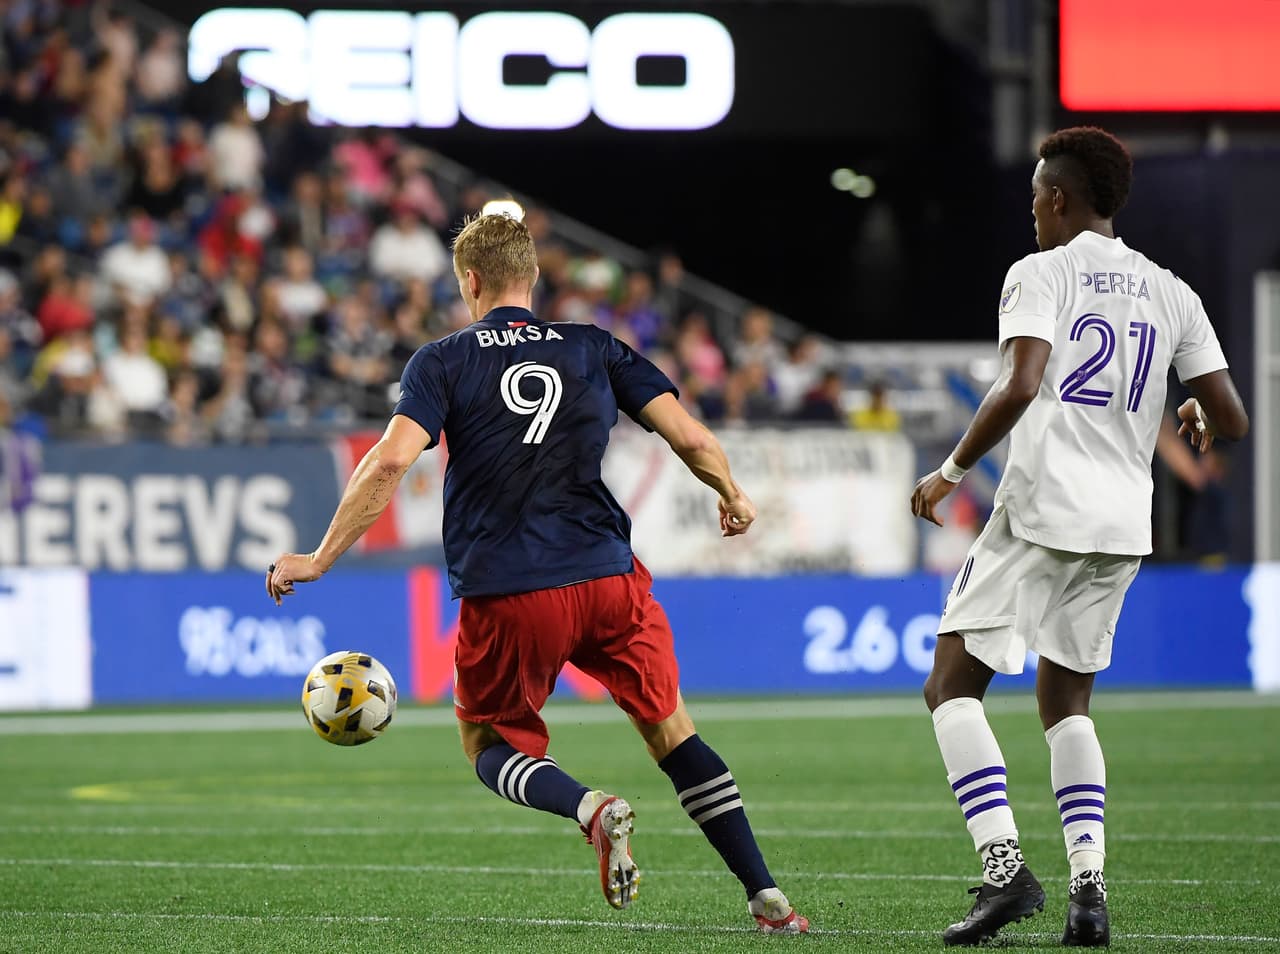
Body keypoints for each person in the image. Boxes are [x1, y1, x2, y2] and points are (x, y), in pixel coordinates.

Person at [265, 204, 808, 935]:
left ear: (471, 281)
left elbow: (392, 458)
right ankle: (766, 895)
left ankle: (589, 808)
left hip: (511, 590)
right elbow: (691, 435)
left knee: (488, 740)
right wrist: (732, 494)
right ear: (535, 278)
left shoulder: (444, 359)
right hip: (610, 580)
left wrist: (321, 556)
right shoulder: (595, 347)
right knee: (671, 731)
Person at [909, 127, 1248, 948]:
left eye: (1035, 197)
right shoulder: (1172, 290)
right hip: (1122, 525)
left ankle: (1005, 872)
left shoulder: (1040, 273)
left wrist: (951, 471)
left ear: (1059, 198)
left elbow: (1021, 382)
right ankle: (1088, 890)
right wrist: (1194, 407)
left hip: (1039, 509)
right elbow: (1231, 418)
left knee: (949, 688)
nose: (1031, 211)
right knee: (1066, 702)